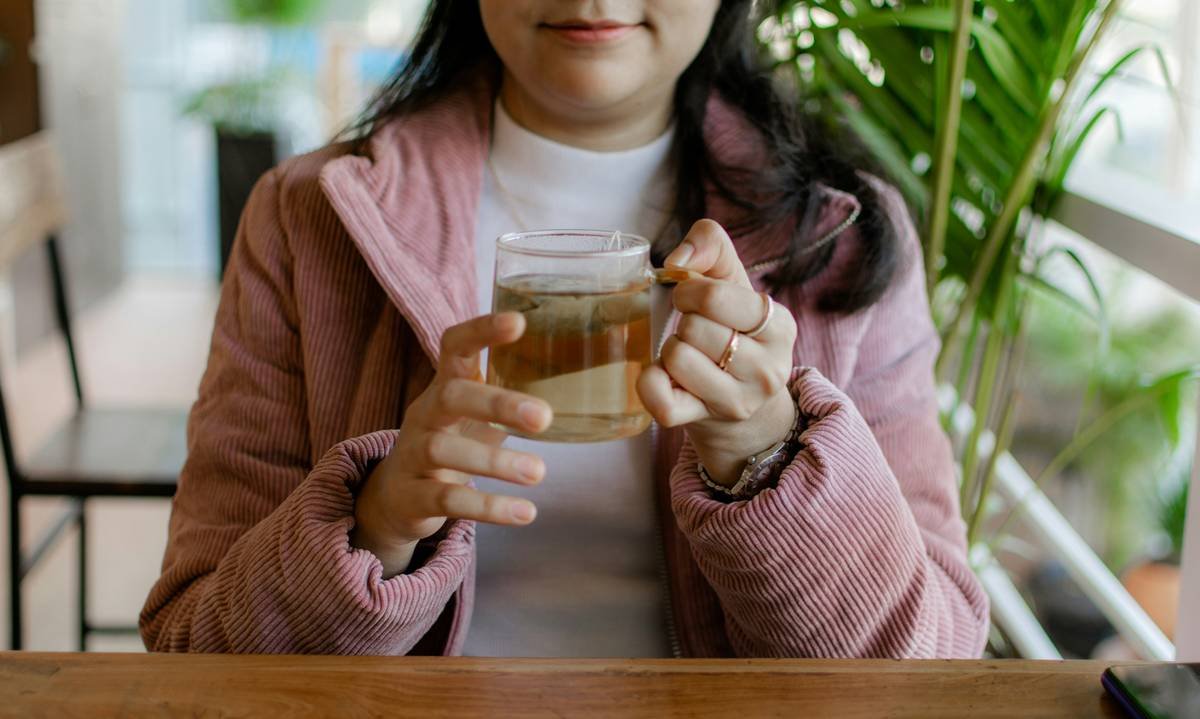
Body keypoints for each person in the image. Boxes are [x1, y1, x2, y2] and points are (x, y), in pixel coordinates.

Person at [141, 0, 989, 658]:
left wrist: (770, 453)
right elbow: (195, 643)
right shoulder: (309, 219)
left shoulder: (842, 237)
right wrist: (379, 518)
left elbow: (929, 659)